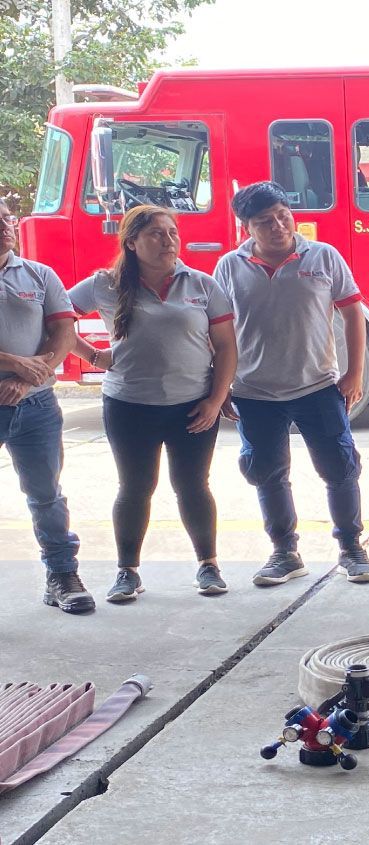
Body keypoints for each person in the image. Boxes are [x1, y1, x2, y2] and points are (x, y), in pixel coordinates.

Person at [69, 205, 237, 602]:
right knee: (135, 487)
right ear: (132, 242)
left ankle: (209, 565)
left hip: (192, 406)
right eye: (157, 234)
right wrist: (93, 355)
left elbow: (227, 346)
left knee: (193, 485)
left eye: (172, 233)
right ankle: (127, 571)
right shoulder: (105, 284)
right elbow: (57, 319)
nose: (168, 241)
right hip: (129, 405)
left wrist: (215, 400)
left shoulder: (201, 284)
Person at [213, 182, 369, 587]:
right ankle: (284, 552)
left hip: (317, 386)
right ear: (246, 228)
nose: (278, 226)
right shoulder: (229, 266)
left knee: (340, 468)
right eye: (264, 222)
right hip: (253, 391)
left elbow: (353, 313)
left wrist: (354, 372)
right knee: (266, 472)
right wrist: (219, 386)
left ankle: (351, 548)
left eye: (283, 216)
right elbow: (217, 331)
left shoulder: (322, 256)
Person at [0, 201, 93, 613]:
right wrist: (13, 361)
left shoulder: (39, 275)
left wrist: (25, 379)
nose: (5, 226)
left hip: (35, 405)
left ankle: (62, 576)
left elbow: (64, 333)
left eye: (7, 218)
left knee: (46, 496)